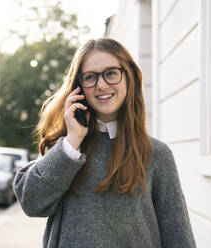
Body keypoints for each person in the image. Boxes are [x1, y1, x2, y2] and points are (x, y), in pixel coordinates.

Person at [13, 38, 196, 248]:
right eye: (90, 77)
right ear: (79, 87)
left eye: (110, 73)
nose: (101, 85)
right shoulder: (64, 148)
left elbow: (178, 236)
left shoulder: (156, 154)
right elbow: (31, 203)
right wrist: (73, 140)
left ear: (128, 77)